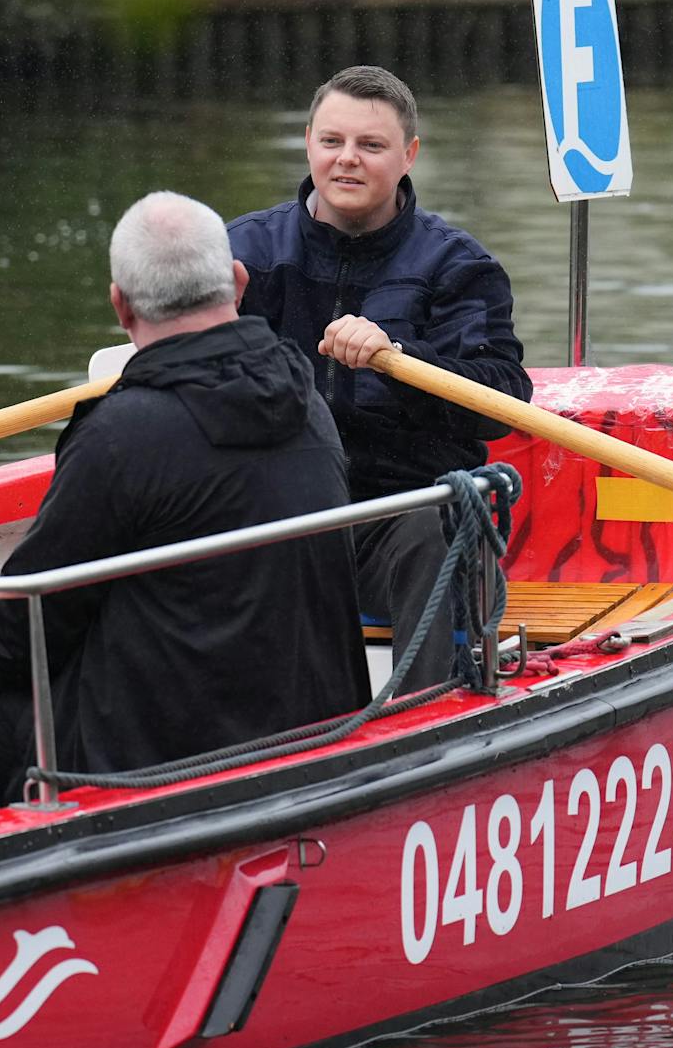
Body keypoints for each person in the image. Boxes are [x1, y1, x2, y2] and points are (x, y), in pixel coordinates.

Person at [0, 192, 369, 800]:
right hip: (307, 728)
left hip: (158, 754)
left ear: (120, 306)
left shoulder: (121, 435)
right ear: (239, 282)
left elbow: (30, 624)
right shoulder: (310, 405)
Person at [227, 65, 530, 692]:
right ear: (308, 141)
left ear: (409, 155)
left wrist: (400, 359)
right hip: (278, 514)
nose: (348, 161)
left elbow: (503, 402)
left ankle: (426, 722)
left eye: (371, 146)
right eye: (332, 142)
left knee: (443, 525)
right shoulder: (241, 256)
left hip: (401, 519)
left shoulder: (458, 267)